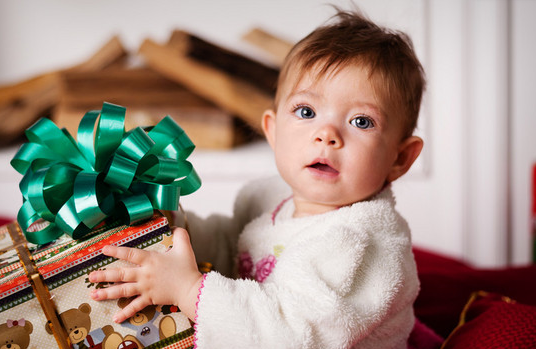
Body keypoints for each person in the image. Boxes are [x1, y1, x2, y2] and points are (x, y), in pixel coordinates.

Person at [89, 7, 426, 348]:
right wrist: (172, 226)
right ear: (273, 131)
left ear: (400, 157)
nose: (327, 134)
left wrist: (189, 290)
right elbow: (230, 246)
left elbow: (291, 336)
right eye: (306, 112)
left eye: (361, 122)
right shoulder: (270, 198)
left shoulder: (360, 244)